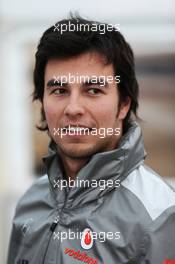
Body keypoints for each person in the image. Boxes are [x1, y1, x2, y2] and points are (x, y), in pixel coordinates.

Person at [7, 15, 175, 264]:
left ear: (124, 105)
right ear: (42, 101)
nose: (73, 108)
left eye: (93, 90)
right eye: (60, 91)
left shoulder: (160, 215)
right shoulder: (32, 200)